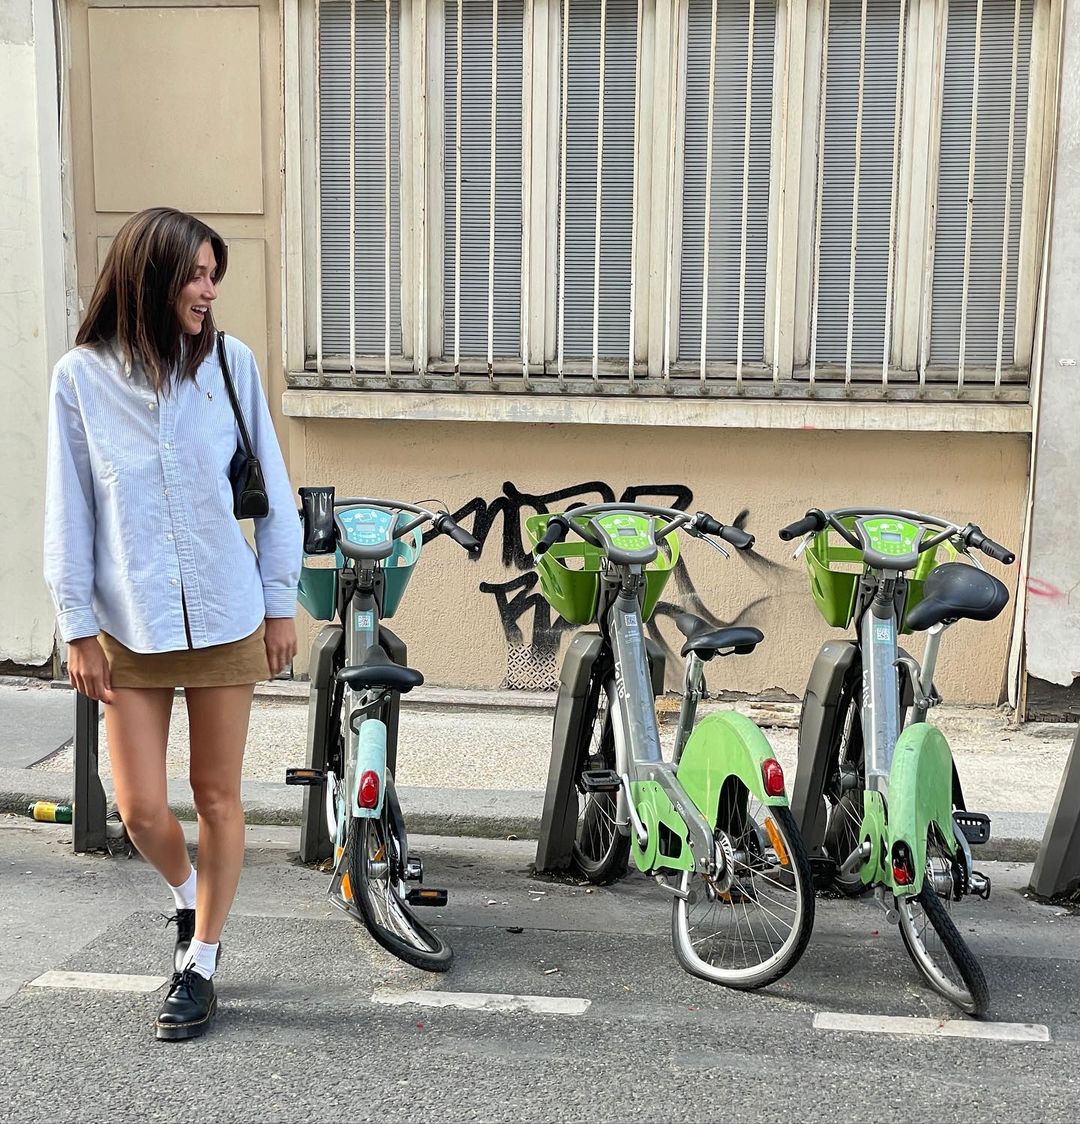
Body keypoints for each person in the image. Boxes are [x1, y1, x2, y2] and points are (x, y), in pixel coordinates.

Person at [43, 207, 303, 1040]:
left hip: (227, 614)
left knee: (217, 795)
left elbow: (274, 494)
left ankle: (202, 962)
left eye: (212, 274)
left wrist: (279, 602)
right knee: (142, 810)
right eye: (194, 274)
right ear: (150, 278)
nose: (208, 289)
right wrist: (77, 627)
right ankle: (189, 900)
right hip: (132, 623)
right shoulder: (81, 379)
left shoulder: (231, 364)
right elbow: (70, 513)